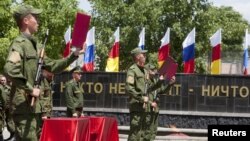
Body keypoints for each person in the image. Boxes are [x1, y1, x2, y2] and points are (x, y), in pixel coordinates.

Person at [4, 4, 85, 141]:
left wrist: (74, 55)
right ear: (26, 21)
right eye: (35, 17)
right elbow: (9, 69)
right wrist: (30, 89)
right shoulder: (19, 43)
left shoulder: (36, 46)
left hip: (35, 107)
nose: (38, 21)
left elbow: (53, 66)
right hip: (24, 106)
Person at [126, 47, 156, 141]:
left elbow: (150, 88)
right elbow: (129, 88)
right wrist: (141, 98)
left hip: (145, 107)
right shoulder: (132, 70)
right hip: (137, 107)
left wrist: (161, 81)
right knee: (135, 134)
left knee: (143, 134)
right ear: (138, 56)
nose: (145, 56)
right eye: (143, 55)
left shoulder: (144, 70)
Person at [144, 63, 176, 140]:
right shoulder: (145, 81)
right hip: (147, 110)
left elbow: (161, 90)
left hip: (155, 110)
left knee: (153, 131)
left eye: (155, 69)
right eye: (152, 69)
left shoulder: (155, 80)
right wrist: (150, 103)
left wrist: (170, 84)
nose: (155, 71)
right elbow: (144, 93)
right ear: (147, 71)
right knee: (146, 131)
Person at [0, 75, 15, 141]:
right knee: (1, 121)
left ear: (6, 81)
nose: (3, 82)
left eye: (4, 80)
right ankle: (1, 136)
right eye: (2, 80)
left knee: (9, 120)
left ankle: (12, 134)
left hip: (8, 107)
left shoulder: (9, 88)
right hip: (1, 107)